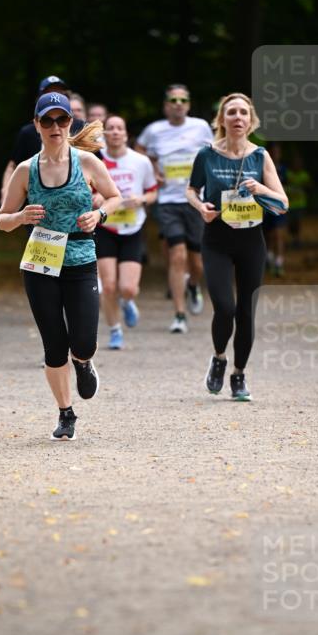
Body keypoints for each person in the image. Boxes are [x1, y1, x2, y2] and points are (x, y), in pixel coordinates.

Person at [0, 92, 121, 442]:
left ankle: (83, 362)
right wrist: (21, 216)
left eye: (62, 120)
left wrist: (99, 214)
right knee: (53, 345)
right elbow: (1, 220)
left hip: (81, 260)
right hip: (40, 262)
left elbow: (114, 196)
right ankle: (66, 413)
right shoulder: (26, 170)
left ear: (70, 124)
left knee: (83, 342)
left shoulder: (87, 162)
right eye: (47, 120)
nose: (55, 127)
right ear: (36, 125)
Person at [186, 92, 288, 401]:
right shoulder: (207, 154)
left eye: (244, 113)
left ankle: (239, 375)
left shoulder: (260, 156)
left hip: (250, 240)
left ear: (251, 120)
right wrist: (200, 208)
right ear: (221, 120)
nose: (238, 118)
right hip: (216, 238)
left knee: (246, 312)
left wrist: (261, 189)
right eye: (231, 112)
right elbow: (191, 189)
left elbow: (283, 203)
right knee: (225, 307)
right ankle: (219, 358)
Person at [136, 84, 211, 333]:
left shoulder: (200, 126)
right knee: (176, 255)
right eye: (173, 100)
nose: (178, 103)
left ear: (188, 104)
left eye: (183, 99)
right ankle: (179, 314)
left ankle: (193, 285)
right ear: (166, 105)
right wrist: (153, 170)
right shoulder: (154, 130)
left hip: (196, 200)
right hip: (168, 201)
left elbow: (214, 152)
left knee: (197, 262)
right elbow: (139, 151)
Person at [94, 115, 158, 349]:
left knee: (128, 288)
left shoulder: (140, 162)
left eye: (119, 128)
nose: (114, 132)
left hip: (132, 228)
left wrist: (140, 199)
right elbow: (86, 193)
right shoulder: (94, 161)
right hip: (105, 227)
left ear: (126, 133)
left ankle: (128, 301)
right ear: (104, 134)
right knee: (108, 286)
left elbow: (153, 192)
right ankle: (115, 330)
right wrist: (97, 198)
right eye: (110, 128)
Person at [0, 76, 85, 199]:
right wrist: (6, 190)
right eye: (49, 92)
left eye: (60, 92)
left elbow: (99, 163)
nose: (55, 96)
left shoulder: (80, 127)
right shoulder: (27, 133)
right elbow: (13, 165)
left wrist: (99, 198)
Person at [263, 143, 288, 276]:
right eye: (273, 152)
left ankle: (279, 261)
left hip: (278, 207)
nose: (276, 155)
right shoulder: (262, 168)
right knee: (267, 235)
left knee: (279, 234)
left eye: (278, 152)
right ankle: (269, 257)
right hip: (266, 207)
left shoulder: (283, 169)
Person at [285, 151, 311, 249]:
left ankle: (297, 240)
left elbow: (309, 187)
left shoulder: (304, 175)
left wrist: (305, 185)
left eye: (299, 163)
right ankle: (293, 238)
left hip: (300, 204)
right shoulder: (288, 174)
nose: (297, 165)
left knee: (298, 222)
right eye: (295, 163)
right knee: (290, 224)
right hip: (289, 204)